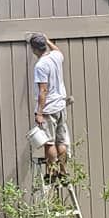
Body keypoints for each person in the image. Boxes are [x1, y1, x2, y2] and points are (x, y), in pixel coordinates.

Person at [29, 32, 69, 178]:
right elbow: (58, 51)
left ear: (34, 49)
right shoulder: (56, 57)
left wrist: (39, 113)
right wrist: (47, 40)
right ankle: (64, 171)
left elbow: (43, 90)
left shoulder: (40, 66)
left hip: (49, 109)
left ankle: (52, 173)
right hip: (60, 106)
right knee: (62, 141)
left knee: (49, 142)